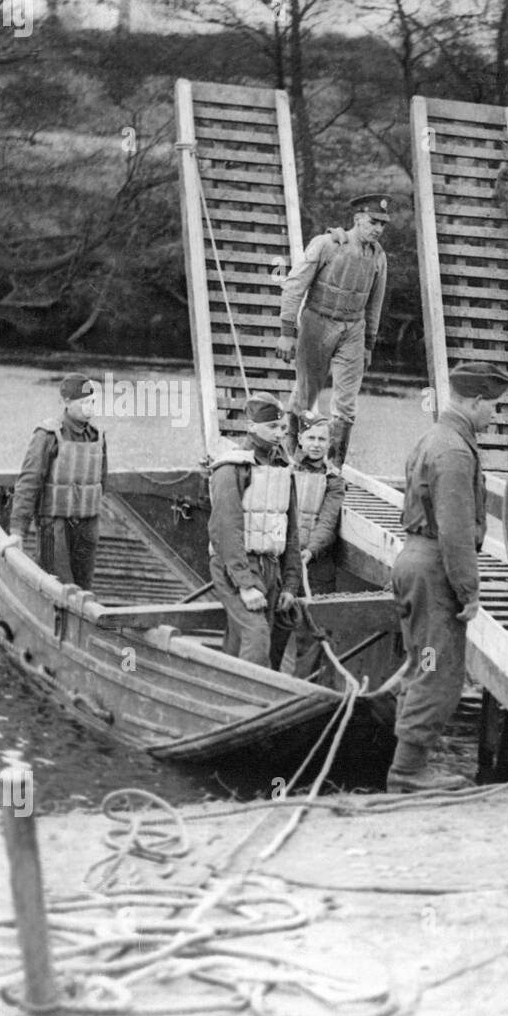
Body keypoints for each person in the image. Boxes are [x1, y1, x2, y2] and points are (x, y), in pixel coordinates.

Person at [387, 362, 508, 793]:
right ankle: (407, 772)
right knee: (438, 673)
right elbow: (456, 531)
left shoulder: (433, 438)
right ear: (475, 401)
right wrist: (469, 591)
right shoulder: (456, 452)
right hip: (435, 571)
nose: (493, 415)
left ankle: (406, 762)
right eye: (492, 406)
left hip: (413, 562)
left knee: (421, 662)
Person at [276, 193, 390, 467]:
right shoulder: (327, 244)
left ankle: (334, 467)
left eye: (382, 224)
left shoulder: (378, 257)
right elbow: (294, 285)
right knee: (306, 393)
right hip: (318, 322)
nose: (377, 229)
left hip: (353, 329)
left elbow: (375, 303)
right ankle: (293, 456)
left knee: (347, 402)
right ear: (357, 219)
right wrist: (287, 332)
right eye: (373, 222)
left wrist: (368, 344)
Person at [207, 393, 302, 667]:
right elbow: (226, 530)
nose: (279, 434)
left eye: (282, 428)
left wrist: (291, 583)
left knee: (248, 640)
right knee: (256, 634)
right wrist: (246, 585)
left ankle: (223, 696)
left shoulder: (283, 468)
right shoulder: (231, 468)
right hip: (235, 566)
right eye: (272, 427)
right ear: (251, 426)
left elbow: (290, 530)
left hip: (270, 567)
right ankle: (248, 705)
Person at [8, 374, 108, 591]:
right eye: (83, 403)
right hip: (53, 526)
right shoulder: (47, 435)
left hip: (86, 526)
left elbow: (102, 480)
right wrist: (18, 531)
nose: (89, 408)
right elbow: (28, 483)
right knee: (59, 587)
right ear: (67, 403)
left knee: (83, 587)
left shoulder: (97, 436)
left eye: (92, 402)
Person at [270, 411, 344, 678]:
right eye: (310, 437)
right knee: (275, 629)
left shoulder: (334, 481)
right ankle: (267, 684)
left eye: (322, 439)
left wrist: (310, 550)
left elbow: (327, 522)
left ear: (328, 443)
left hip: (316, 568)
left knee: (312, 636)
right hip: (282, 564)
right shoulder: (283, 471)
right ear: (300, 439)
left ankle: (303, 693)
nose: (316, 444)